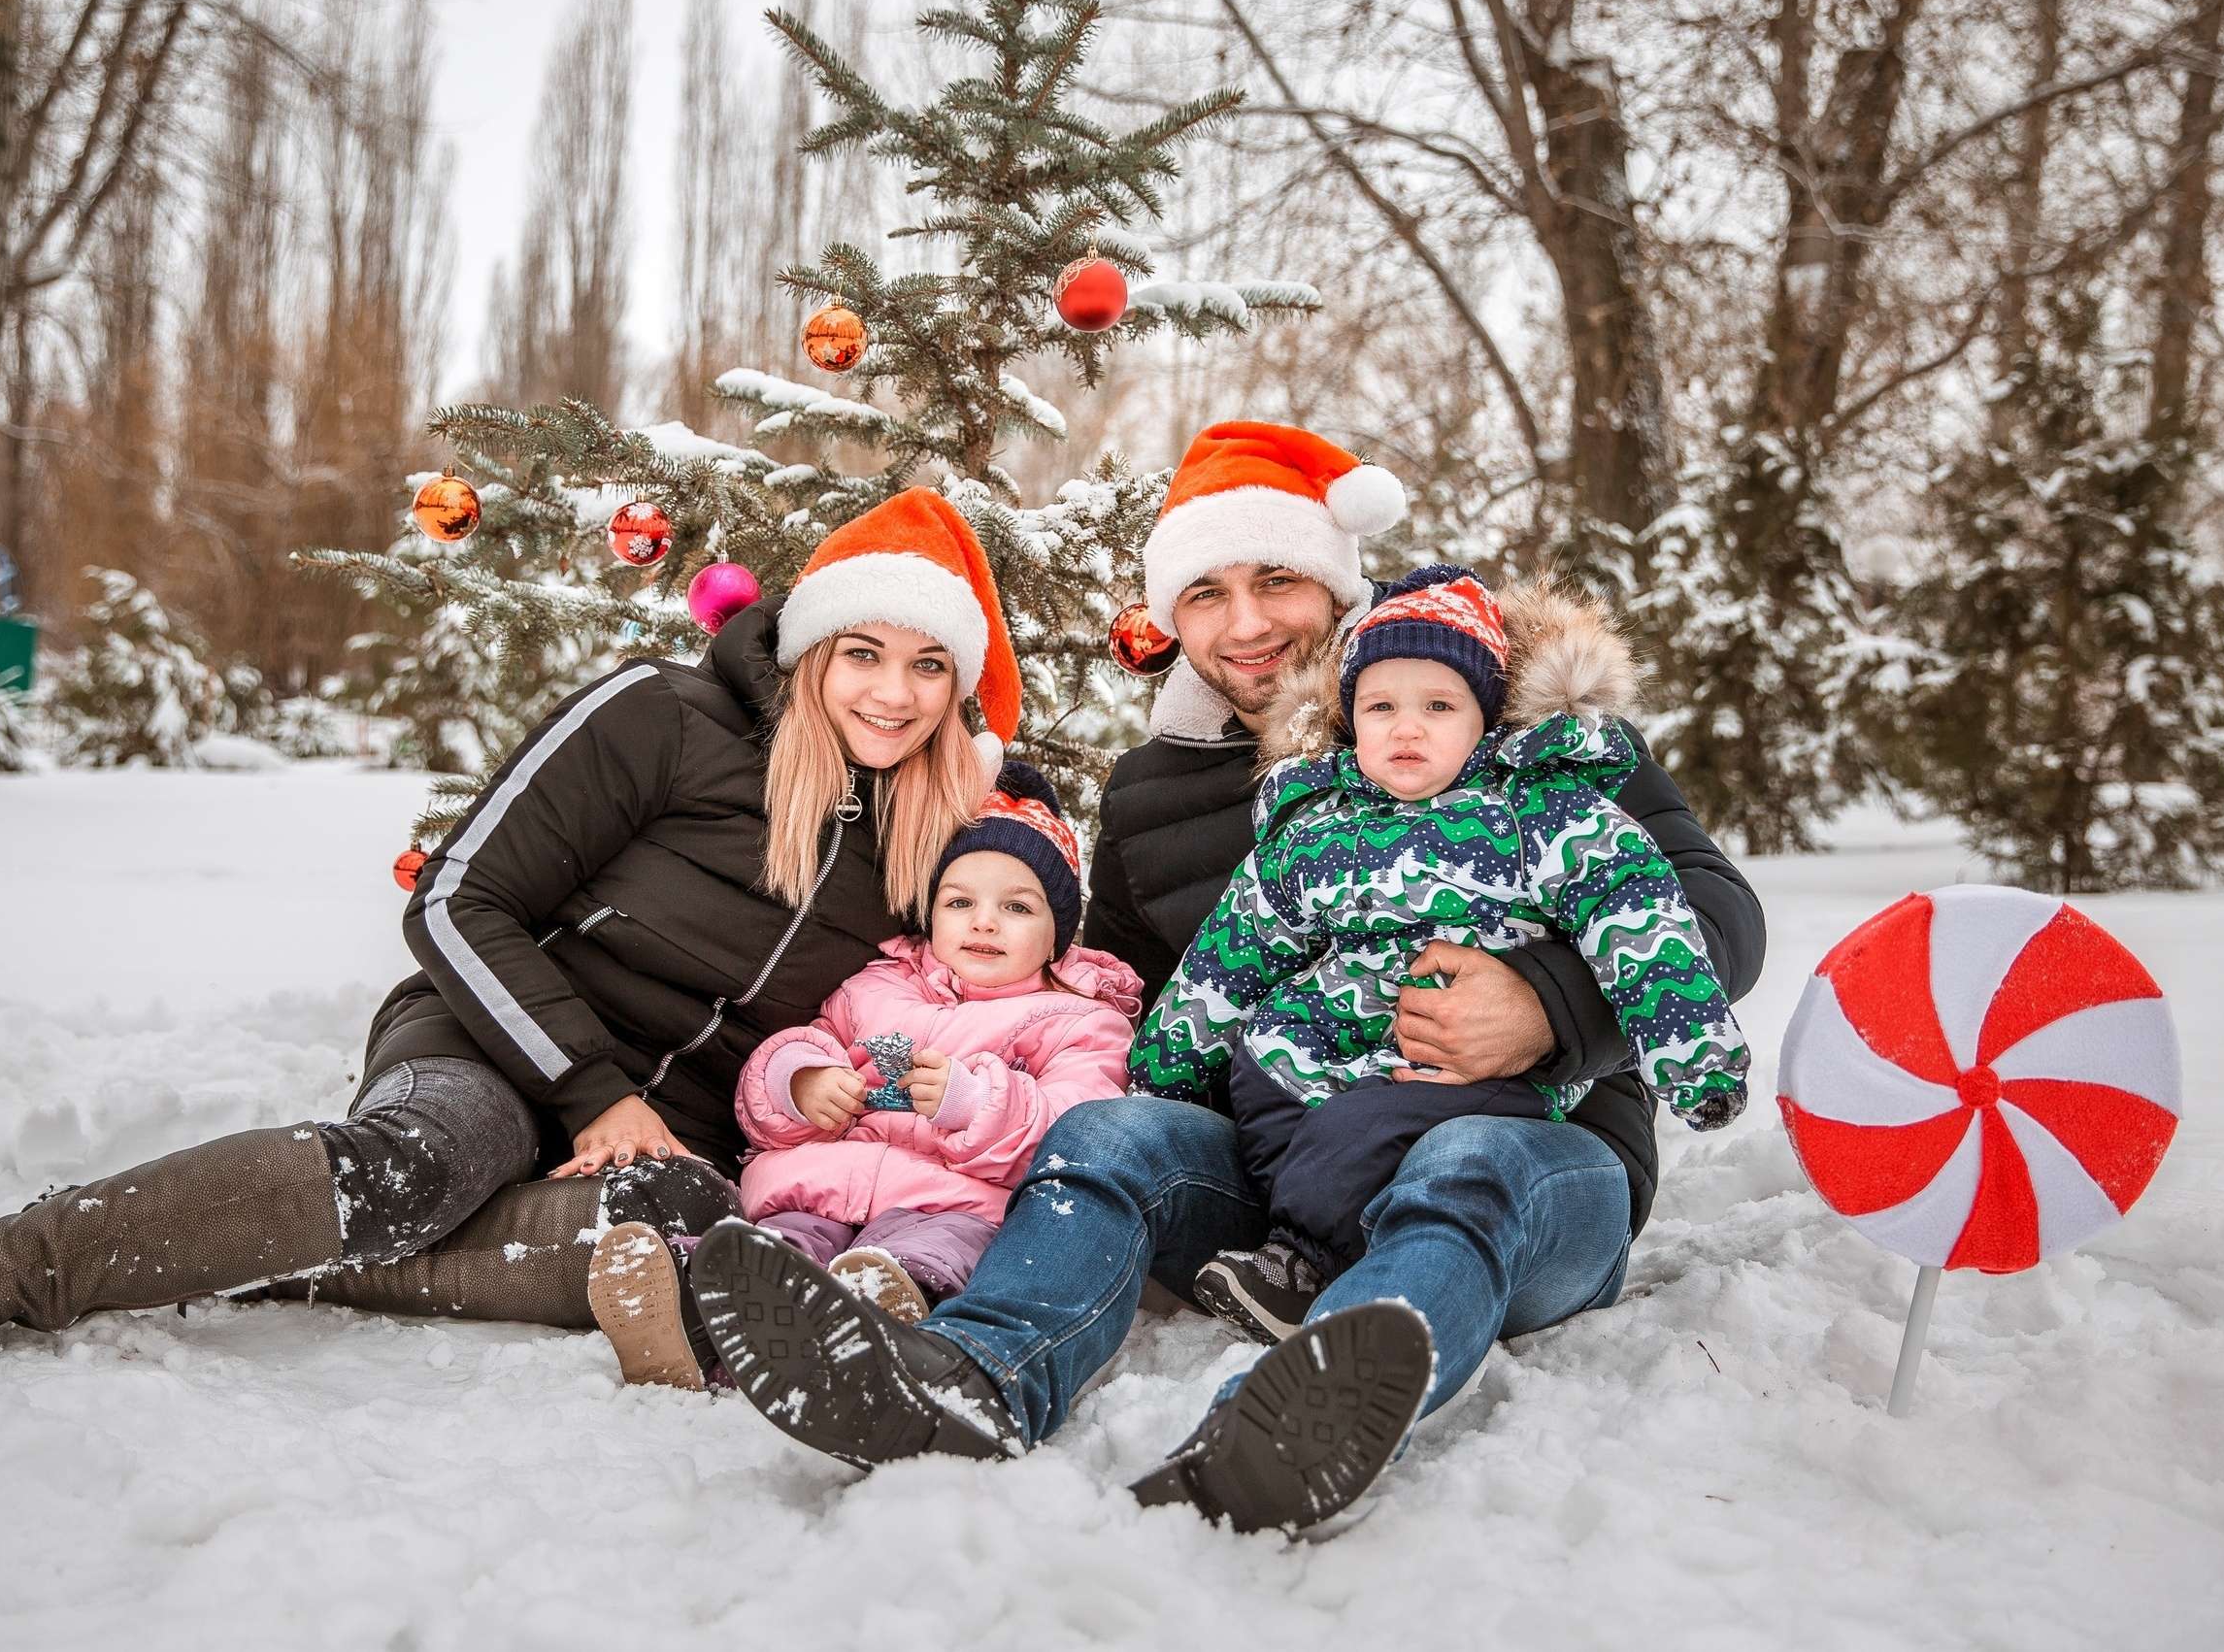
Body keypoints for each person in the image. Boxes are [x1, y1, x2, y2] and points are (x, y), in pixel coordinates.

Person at [684, 422, 1767, 1535]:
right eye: (1206, 593)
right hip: (1290, 1171)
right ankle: (970, 1379)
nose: (1245, 624)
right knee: (1107, 1134)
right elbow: (1120, 1008)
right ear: (1172, 616)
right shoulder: (1153, 794)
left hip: (1535, 1155)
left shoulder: (1523, 726)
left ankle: (1296, 1428)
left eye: (1277, 580)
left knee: (1466, 1164)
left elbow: (1714, 914)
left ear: (1337, 583)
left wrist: (1548, 1007)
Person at [0, 486, 1023, 1372]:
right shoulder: (663, 717)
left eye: (930, 666)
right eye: (864, 652)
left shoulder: (927, 840)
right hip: (498, 1040)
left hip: (676, 1132)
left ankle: (267, 1248)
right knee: (421, 1164)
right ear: (809, 649)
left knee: (685, 1238)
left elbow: (1030, 940)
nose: (893, 691)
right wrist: (589, 1090)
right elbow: (458, 899)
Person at [1139, 567, 1750, 1342]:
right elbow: (1231, 951)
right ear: (1348, 720)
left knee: (1369, 1133)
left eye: (1438, 706)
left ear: (1485, 719)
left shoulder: (1541, 810)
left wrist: (1692, 1055)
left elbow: (1643, 921)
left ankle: (1310, 1265)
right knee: (1268, 1076)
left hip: (1469, 1070)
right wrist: (1159, 1073)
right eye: (1381, 708)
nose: (1407, 728)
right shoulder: (1316, 825)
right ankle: (1342, 1236)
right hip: (1335, 1052)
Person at [585, 762, 1141, 1387]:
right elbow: (805, 1048)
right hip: (822, 1182)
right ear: (930, 913)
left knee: (925, 1254)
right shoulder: (874, 986)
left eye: (1016, 906)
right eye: (960, 902)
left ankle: (886, 1317)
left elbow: (1080, 1131)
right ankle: (695, 1307)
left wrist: (977, 1102)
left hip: (953, 1202)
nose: (984, 921)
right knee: (779, 1245)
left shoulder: (1080, 1019)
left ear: (1058, 932)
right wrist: (800, 1084)